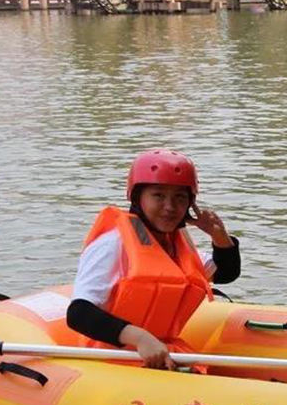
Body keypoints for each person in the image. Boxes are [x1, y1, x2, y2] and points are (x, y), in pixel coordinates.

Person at [66, 149, 240, 370]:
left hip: (160, 353)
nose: (170, 207)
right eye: (158, 196)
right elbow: (78, 313)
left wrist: (219, 237)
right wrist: (140, 338)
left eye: (180, 197)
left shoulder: (176, 244)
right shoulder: (113, 244)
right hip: (111, 360)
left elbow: (226, 273)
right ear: (138, 197)